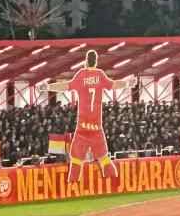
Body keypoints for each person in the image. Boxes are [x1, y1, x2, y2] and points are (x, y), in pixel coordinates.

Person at [44, 49, 137, 183]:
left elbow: (65, 86)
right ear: (96, 61)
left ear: (86, 61)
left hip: (82, 127)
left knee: (76, 158)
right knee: (103, 157)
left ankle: (73, 183)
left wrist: (48, 87)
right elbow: (114, 84)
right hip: (96, 127)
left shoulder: (81, 75)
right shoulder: (100, 75)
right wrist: (128, 84)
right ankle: (114, 181)